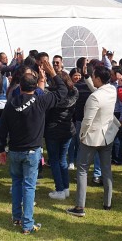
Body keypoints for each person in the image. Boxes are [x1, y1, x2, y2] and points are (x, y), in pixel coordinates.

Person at [0, 60, 66, 234]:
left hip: (15, 151)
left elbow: (1, 128)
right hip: (31, 152)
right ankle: (26, 224)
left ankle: (17, 217)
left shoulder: (11, 103)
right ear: (35, 88)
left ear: (19, 86)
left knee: (18, 183)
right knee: (28, 187)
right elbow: (63, 91)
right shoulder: (41, 100)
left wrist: (0, 150)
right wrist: (53, 74)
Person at [66, 65, 117, 217]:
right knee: (106, 169)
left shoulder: (94, 97)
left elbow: (87, 120)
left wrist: (81, 135)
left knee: (82, 170)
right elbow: (98, 92)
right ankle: (107, 202)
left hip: (91, 137)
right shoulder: (111, 90)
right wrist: (87, 77)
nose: (92, 78)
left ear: (99, 79)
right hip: (107, 136)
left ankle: (80, 207)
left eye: (94, 76)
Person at [44, 71, 78, 200]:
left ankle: (60, 189)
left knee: (54, 160)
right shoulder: (73, 93)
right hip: (67, 130)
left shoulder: (51, 96)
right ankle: (66, 188)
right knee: (62, 159)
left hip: (53, 131)